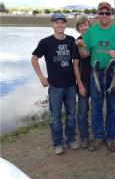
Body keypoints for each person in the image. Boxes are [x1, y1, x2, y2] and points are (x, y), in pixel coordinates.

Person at [79, 2, 115, 152]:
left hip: (113, 74)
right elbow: (85, 55)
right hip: (96, 73)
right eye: (101, 13)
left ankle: (110, 138)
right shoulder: (91, 32)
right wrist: (81, 46)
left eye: (107, 13)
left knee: (112, 107)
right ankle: (98, 137)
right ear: (97, 14)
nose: (104, 16)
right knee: (96, 107)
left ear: (111, 15)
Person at [31, 13, 79, 155]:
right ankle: (58, 143)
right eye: (57, 22)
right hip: (55, 87)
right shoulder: (45, 42)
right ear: (52, 25)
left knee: (71, 114)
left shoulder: (71, 40)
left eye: (62, 22)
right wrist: (41, 78)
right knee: (55, 116)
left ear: (65, 24)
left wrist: (79, 81)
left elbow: (75, 62)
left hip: (70, 85)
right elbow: (34, 59)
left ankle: (70, 139)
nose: (60, 25)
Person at [72, 15, 92, 149]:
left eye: (86, 24)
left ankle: (97, 136)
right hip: (83, 82)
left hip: (96, 81)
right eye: (81, 26)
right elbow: (76, 64)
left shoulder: (95, 40)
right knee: (83, 111)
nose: (84, 27)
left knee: (96, 110)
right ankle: (84, 137)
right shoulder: (77, 42)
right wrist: (79, 84)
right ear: (78, 29)